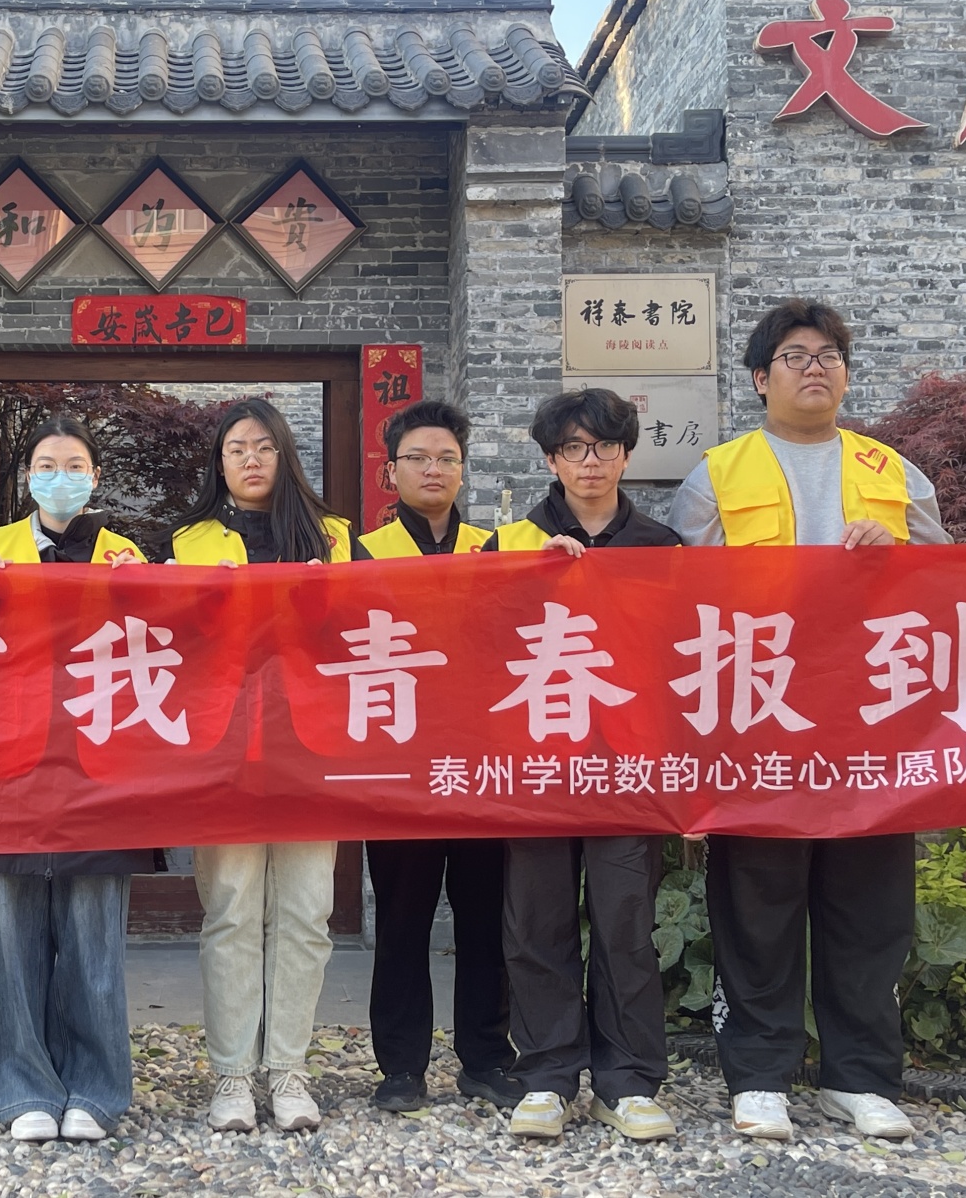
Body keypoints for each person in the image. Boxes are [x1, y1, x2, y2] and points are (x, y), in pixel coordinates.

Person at [668, 300, 950, 1143]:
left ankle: (860, 1078)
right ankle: (759, 1075)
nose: (815, 367)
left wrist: (900, 559)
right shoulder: (716, 475)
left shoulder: (894, 472)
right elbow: (678, 607)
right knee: (757, 905)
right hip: (760, 721)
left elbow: (954, 587)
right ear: (761, 379)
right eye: (795, 356)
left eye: (829, 354)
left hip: (872, 727)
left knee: (870, 907)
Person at [482, 389, 680, 1143]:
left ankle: (628, 1081)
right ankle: (547, 1075)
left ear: (626, 456)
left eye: (603, 446)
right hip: (536, 765)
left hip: (629, 767)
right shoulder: (510, 544)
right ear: (550, 460)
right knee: (536, 921)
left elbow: (681, 660)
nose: (589, 461)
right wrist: (530, 578)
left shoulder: (664, 548)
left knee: (626, 919)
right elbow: (476, 644)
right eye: (572, 448)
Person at [170, 397, 366, 1133]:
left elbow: (373, 633)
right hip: (224, 747)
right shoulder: (187, 541)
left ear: (286, 455)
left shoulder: (336, 538)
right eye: (235, 449)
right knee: (231, 910)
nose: (250, 460)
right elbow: (168, 644)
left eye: (263, 447)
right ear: (219, 464)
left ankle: (288, 1069)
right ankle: (231, 1075)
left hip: (312, 745)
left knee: (307, 912)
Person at [0, 414, 154, 1143]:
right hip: (9, 764)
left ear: (95, 477)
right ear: (28, 476)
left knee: (93, 934)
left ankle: (96, 1090)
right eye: (46, 465)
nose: (59, 477)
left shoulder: (127, 556)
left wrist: (143, 591)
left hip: (101, 765)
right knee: (11, 935)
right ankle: (22, 1089)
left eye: (74, 466)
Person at [354, 400, 517, 1117]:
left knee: (485, 919)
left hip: (479, 764)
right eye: (418, 458)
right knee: (402, 919)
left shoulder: (498, 548)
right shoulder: (358, 554)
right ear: (390, 471)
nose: (433, 469)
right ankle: (401, 1068)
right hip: (399, 767)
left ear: (462, 470)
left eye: (447, 458)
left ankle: (486, 1058)